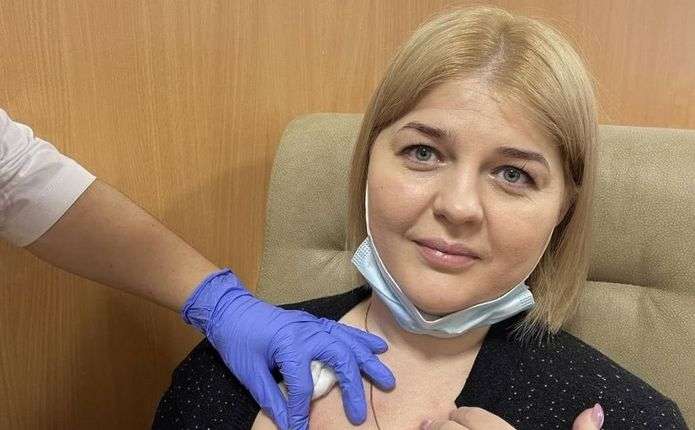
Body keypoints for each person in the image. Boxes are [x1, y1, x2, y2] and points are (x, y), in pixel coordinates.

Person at [151, 5, 689, 430]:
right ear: (368, 162)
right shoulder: (227, 372)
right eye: (423, 153)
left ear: (563, 208)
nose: (458, 206)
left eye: (513, 174)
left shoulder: (634, 419)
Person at [1, 108, 395, 428]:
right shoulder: (213, 386)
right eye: (419, 152)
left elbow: (21, 178)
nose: (448, 206)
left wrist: (219, 301)